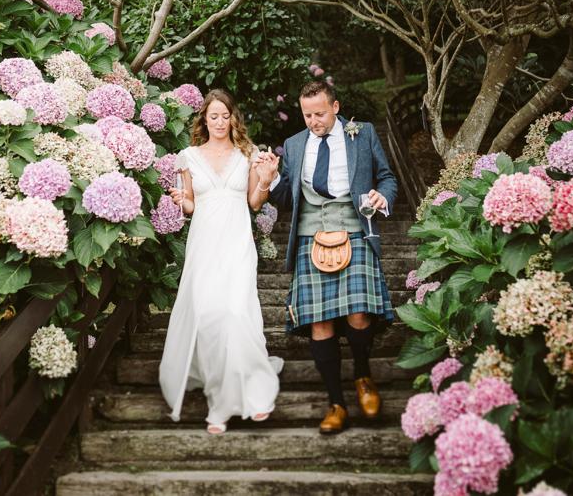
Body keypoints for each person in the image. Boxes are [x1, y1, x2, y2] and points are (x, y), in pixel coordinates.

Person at [251, 80, 397, 434]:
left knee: (360, 313)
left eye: (319, 113)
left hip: (354, 231)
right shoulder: (295, 144)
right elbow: (287, 200)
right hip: (309, 238)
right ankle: (336, 402)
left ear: (335, 106)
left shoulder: (361, 133)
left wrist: (382, 197)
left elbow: (388, 177)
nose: (313, 121)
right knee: (319, 322)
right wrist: (269, 180)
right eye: (307, 115)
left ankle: (363, 376)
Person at [159, 89, 283, 435]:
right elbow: (190, 207)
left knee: (237, 313)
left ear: (232, 119)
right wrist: (181, 198)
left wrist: (268, 180)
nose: (218, 122)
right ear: (204, 119)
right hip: (204, 245)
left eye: (224, 116)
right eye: (212, 116)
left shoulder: (248, 154)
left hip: (237, 242)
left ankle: (256, 395)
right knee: (211, 318)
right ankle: (220, 400)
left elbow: (255, 202)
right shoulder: (188, 157)